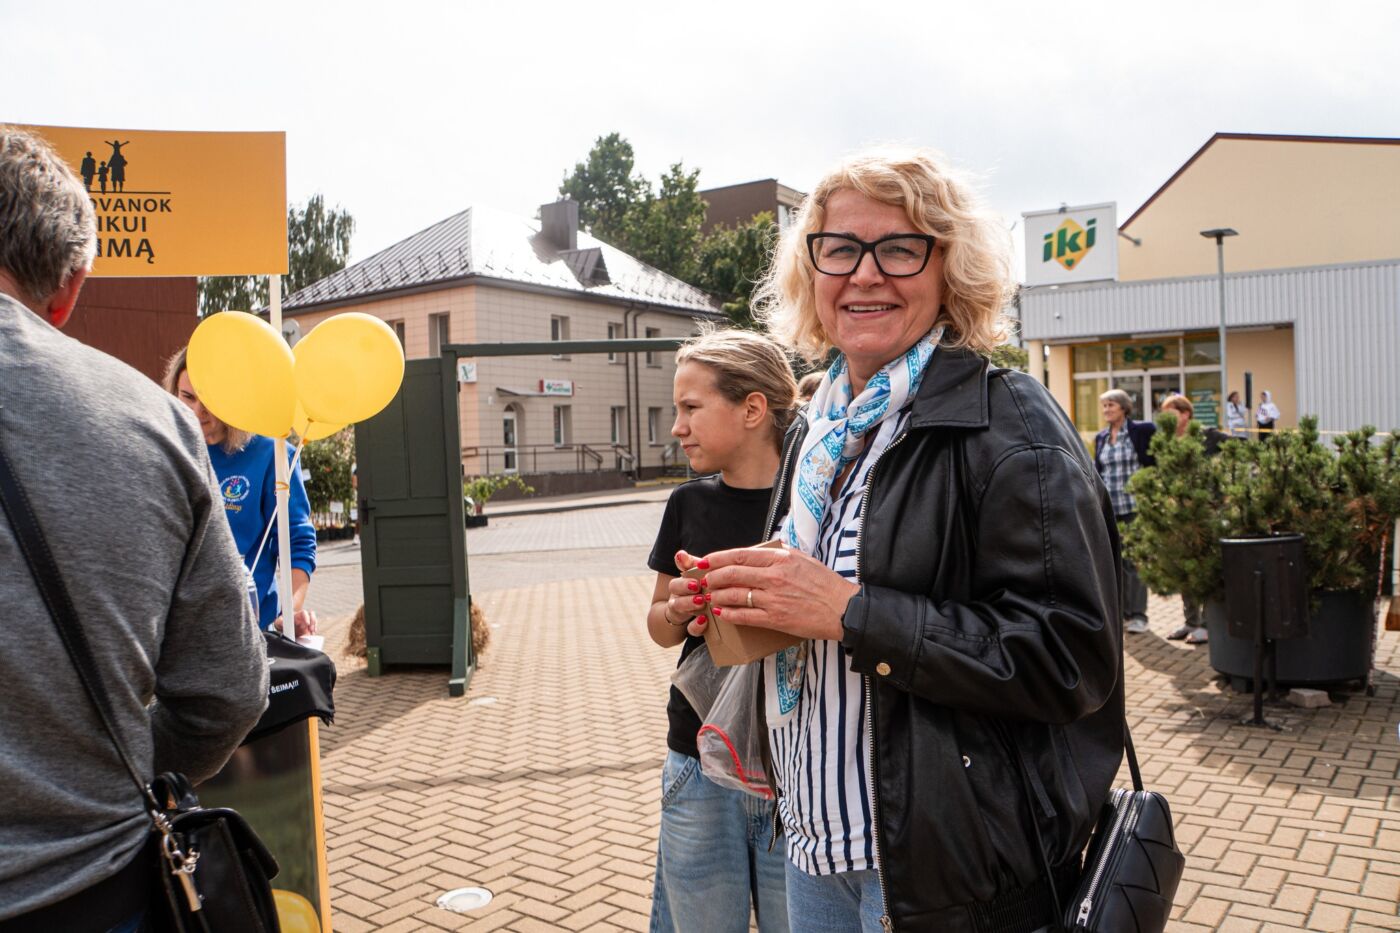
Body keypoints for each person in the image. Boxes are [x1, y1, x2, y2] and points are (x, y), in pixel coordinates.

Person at [692, 148, 1123, 932]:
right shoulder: (817, 434)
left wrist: (853, 613)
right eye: (839, 249)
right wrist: (741, 601)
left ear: (949, 268)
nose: (864, 273)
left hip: (939, 871)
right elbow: (814, 611)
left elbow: (1071, 657)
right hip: (814, 842)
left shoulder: (1010, 422)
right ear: (811, 272)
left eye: (899, 248)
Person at [0, 126, 268, 931]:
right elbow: (227, 691)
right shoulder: (152, 425)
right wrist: (110, 762)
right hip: (93, 888)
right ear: (70, 288)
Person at [647, 327, 797, 933]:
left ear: (752, 409)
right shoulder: (688, 503)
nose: (677, 427)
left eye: (691, 408)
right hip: (698, 758)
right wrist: (677, 609)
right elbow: (659, 628)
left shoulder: (815, 504)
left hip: (798, 768)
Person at [163, 348, 319, 636]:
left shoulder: (271, 454)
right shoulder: (165, 450)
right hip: (179, 631)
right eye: (188, 397)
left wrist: (289, 612)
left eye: (209, 400)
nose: (197, 411)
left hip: (250, 629)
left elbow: (297, 543)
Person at [1158, 393, 1234, 644]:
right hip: (1181, 513)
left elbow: (1239, 448)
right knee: (1185, 570)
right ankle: (1191, 621)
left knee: (1206, 569)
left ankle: (1208, 624)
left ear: (1185, 414)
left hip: (1207, 511)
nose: (1165, 419)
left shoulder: (1208, 436)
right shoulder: (1168, 442)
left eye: (1171, 414)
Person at [1095, 388, 1156, 635]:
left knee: (1135, 562)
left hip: (1134, 507)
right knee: (1114, 565)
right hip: (1110, 510)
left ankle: (1139, 615)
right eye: (1104, 406)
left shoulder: (1141, 430)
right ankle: (1122, 614)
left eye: (1111, 405)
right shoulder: (1101, 437)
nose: (1106, 410)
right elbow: (1099, 472)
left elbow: (1154, 463)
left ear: (1123, 407)